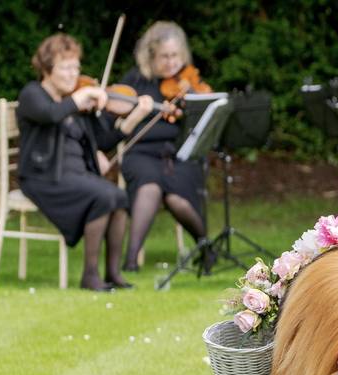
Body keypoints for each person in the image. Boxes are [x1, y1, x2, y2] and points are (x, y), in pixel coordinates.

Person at [17, 33, 154, 291]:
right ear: (47, 68)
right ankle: (90, 275)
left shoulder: (76, 102)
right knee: (102, 195)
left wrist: (136, 115)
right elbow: (50, 114)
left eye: (76, 67)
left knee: (120, 197)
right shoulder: (33, 94)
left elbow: (104, 139)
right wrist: (83, 96)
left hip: (75, 175)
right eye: (66, 67)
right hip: (42, 177)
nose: (73, 74)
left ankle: (113, 274)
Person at [117, 21, 213, 273]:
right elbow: (117, 124)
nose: (171, 63)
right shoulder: (135, 81)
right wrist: (139, 112)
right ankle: (131, 258)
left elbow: (203, 124)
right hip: (140, 153)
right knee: (149, 184)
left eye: (175, 56)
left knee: (176, 197)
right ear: (151, 57)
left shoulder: (188, 83)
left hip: (178, 155)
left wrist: (191, 101)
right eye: (164, 57)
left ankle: (206, 248)